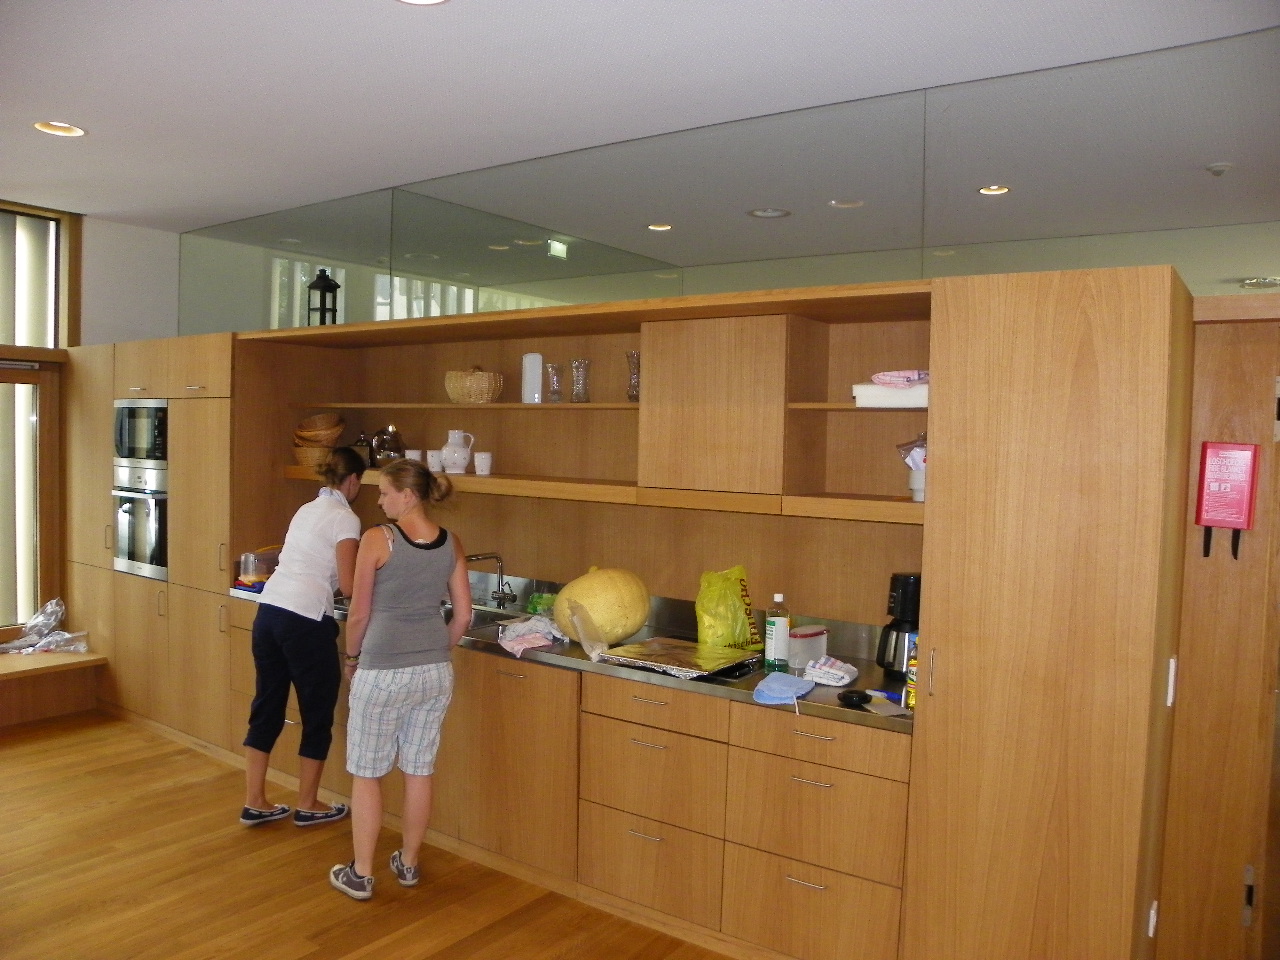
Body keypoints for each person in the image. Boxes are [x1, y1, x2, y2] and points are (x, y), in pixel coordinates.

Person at [329, 458, 471, 900]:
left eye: (385, 492)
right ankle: (408, 863)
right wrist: (435, 651)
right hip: (435, 672)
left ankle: (361, 874)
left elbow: (359, 614)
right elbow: (463, 616)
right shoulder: (451, 542)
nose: (379, 500)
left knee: (367, 774)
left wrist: (351, 658)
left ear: (407, 495)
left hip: (382, 670)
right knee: (419, 769)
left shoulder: (378, 538)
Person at [240, 446, 365, 827]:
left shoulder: (306, 509)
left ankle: (255, 800)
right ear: (353, 480)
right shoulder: (346, 518)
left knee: (267, 705)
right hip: (305, 620)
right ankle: (308, 802)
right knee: (316, 713)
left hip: (269, 612)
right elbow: (349, 585)